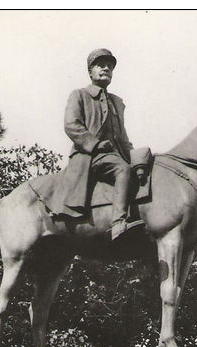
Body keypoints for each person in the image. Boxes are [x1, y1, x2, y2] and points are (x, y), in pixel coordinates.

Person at [63, 48, 144, 241]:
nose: (106, 69)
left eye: (110, 66)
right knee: (123, 170)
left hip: (113, 156)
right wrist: (94, 144)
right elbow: (71, 125)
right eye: (101, 65)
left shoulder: (116, 102)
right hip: (89, 156)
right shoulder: (79, 95)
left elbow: (123, 138)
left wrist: (136, 158)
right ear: (90, 71)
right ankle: (118, 223)